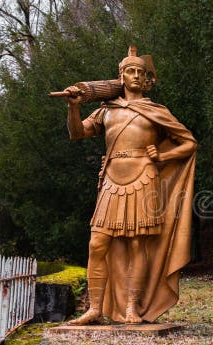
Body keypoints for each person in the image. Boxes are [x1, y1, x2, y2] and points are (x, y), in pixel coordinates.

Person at [63, 46, 197, 325]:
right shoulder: (106, 110)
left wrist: (163, 156)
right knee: (97, 243)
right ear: (121, 76)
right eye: (130, 71)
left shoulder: (156, 111)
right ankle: (95, 308)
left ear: (146, 78)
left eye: (140, 72)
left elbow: (189, 143)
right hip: (111, 181)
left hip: (144, 179)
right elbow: (77, 133)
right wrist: (73, 107)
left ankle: (132, 308)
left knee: (138, 245)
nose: (135, 76)